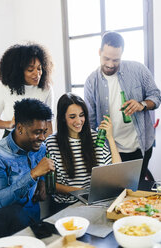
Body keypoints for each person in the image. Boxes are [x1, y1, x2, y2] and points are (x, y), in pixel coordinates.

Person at [84, 31, 161, 181]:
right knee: (116, 192)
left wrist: (142, 104)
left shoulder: (138, 70)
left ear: (122, 54)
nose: (111, 64)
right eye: (106, 58)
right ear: (99, 52)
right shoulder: (91, 82)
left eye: (116, 60)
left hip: (141, 145)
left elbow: (156, 96)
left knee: (135, 191)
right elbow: (91, 123)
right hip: (111, 149)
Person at [46, 93, 121, 213]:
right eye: (72, 117)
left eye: (81, 115)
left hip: (94, 202)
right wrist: (78, 191)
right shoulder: (51, 143)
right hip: (66, 206)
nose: (78, 121)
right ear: (62, 118)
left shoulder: (95, 137)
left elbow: (117, 171)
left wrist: (110, 138)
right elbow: (50, 185)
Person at [0, 98, 54, 237]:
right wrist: (33, 174)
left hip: (33, 221)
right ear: (20, 128)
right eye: (37, 132)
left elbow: (42, 171)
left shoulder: (41, 149)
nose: (42, 137)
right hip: (7, 229)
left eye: (44, 131)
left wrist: (42, 182)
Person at [0, 42, 54, 138]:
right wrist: (10, 124)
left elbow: (48, 122)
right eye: (30, 70)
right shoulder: (5, 88)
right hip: (11, 139)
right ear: (18, 72)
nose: (37, 74)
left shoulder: (46, 88)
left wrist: (49, 146)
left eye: (39, 68)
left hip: (38, 139)